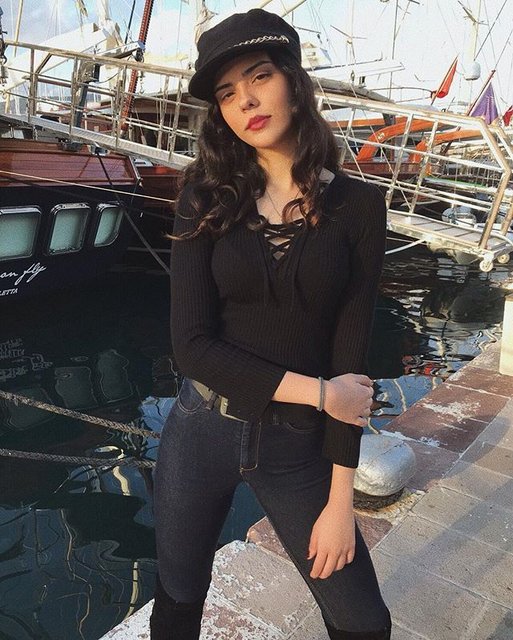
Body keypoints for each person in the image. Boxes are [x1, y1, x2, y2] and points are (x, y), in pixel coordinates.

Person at [151, 8, 391, 639]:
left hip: (297, 446)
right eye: (227, 92)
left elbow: (351, 364)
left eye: (259, 76)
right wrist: (320, 392)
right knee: (177, 600)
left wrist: (341, 502)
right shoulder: (204, 194)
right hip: (201, 430)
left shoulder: (360, 206)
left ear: (293, 81)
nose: (246, 101)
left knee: (363, 621)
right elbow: (191, 346)